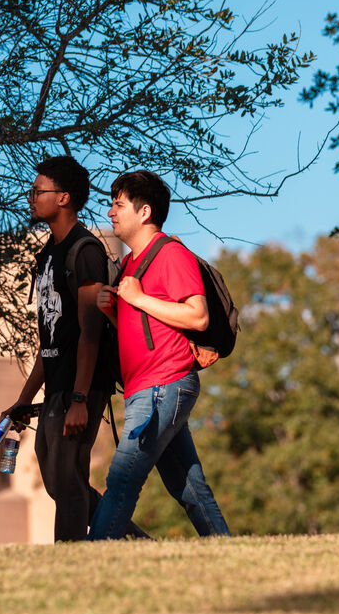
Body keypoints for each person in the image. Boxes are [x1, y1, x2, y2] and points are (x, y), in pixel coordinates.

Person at [87, 170, 231, 540]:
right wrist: (114, 312)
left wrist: (135, 298)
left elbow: (198, 316)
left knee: (122, 478)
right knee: (190, 489)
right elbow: (145, 330)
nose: (110, 213)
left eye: (118, 205)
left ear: (145, 211)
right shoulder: (132, 265)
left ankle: (91, 555)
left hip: (164, 385)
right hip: (146, 387)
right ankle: (227, 550)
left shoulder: (171, 254)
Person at [0, 155, 113, 541]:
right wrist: (22, 401)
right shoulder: (48, 254)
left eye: (38, 191)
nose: (31, 197)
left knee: (68, 481)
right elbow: (49, 340)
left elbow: (90, 332)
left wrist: (80, 396)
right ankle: (129, 538)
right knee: (57, 480)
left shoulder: (85, 251)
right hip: (56, 388)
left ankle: (71, 557)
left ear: (63, 198)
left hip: (80, 387)